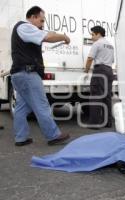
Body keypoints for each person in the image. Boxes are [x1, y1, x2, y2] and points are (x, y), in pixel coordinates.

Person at [10, 6, 70, 146]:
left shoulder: (25, 31)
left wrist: (53, 34)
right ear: (33, 17)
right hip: (27, 74)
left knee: (21, 107)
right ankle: (53, 135)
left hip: (20, 74)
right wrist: (64, 36)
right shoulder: (25, 27)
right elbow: (47, 36)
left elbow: (45, 34)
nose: (42, 24)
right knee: (42, 105)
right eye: (41, 20)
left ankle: (21, 138)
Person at [84, 26, 114, 128]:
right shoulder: (110, 45)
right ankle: (107, 122)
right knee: (107, 97)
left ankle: (94, 123)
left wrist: (86, 70)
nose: (92, 37)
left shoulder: (97, 44)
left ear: (98, 34)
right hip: (109, 71)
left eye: (93, 34)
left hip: (100, 70)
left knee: (96, 95)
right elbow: (112, 60)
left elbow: (89, 58)